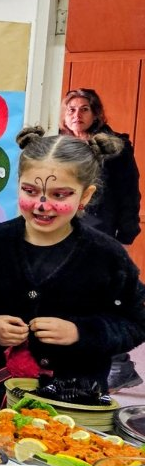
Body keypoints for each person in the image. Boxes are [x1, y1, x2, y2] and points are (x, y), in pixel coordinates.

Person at [0, 127, 145, 404]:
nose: (42, 205)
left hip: (76, 401)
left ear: (85, 196)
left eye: (60, 195)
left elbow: (136, 321)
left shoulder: (107, 256)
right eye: (30, 191)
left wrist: (81, 332)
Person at [60, 89, 142, 390]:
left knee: (101, 297)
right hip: (63, 229)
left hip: (101, 232)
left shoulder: (115, 145)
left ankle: (120, 365)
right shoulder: (59, 144)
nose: (77, 115)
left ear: (95, 113)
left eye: (84, 109)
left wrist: (126, 233)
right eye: (71, 109)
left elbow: (129, 191)